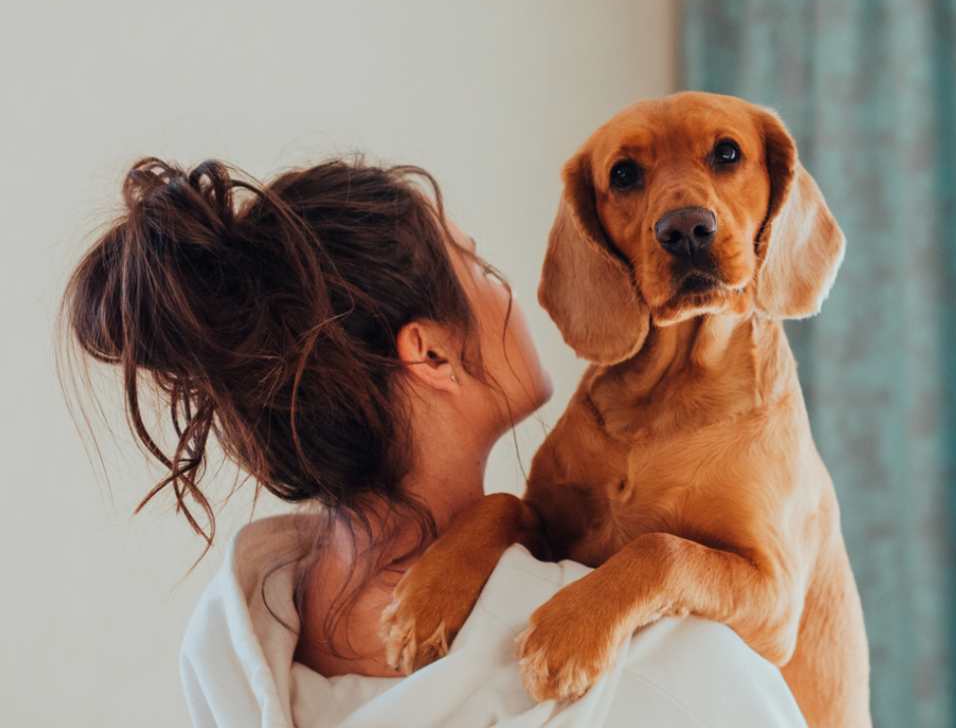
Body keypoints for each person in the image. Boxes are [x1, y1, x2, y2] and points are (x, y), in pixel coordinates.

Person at [63, 157, 806, 726]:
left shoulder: (229, 659)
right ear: (432, 355)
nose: (506, 285)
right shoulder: (662, 670)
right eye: (477, 265)